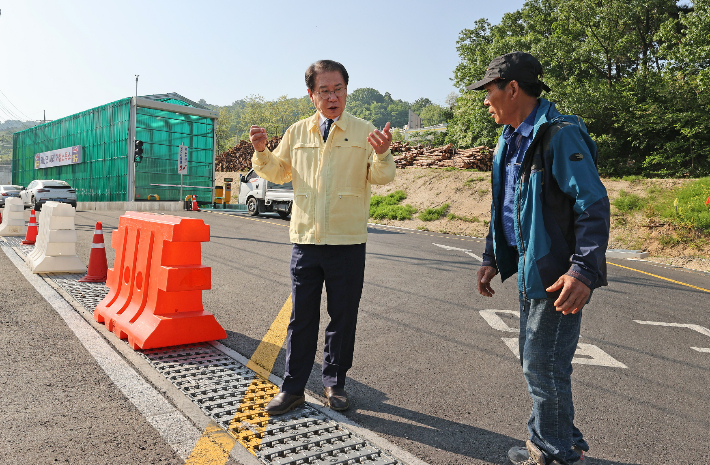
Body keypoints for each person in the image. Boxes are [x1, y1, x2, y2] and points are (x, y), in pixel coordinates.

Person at [470, 52, 610, 465]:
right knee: (542, 364)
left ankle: (553, 453)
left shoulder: (559, 134)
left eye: (489, 90)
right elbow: (508, 205)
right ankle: (560, 441)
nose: (484, 100)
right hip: (533, 269)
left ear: (513, 88)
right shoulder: (511, 137)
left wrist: (582, 270)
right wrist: (492, 256)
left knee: (542, 367)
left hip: (557, 275)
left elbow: (593, 204)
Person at [249, 59, 396, 415]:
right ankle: (293, 387)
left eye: (339, 89)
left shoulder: (364, 131)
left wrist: (382, 153)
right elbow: (279, 172)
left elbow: (383, 176)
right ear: (312, 95)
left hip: (347, 242)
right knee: (302, 318)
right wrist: (261, 150)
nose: (333, 97)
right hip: (306, 240)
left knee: (343, 317)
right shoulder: (298, 131)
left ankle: (335, 383)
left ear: (347, 90)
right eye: (325, 90)